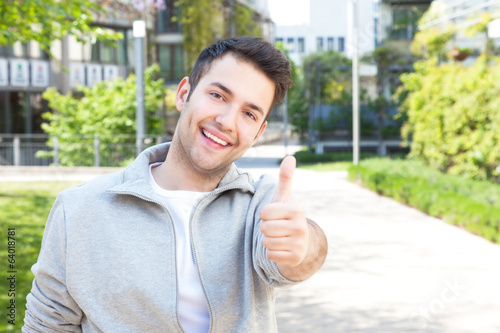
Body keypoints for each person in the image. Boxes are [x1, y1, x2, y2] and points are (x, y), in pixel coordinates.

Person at [23, 36, 328, 332]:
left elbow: (291, 263)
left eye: (248, 113)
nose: (227, 121)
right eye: (218, 95)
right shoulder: (78, 210)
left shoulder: (261, 205)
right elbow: (46, 325)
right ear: (184, 94)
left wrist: (303, 246)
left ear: (258, 133)